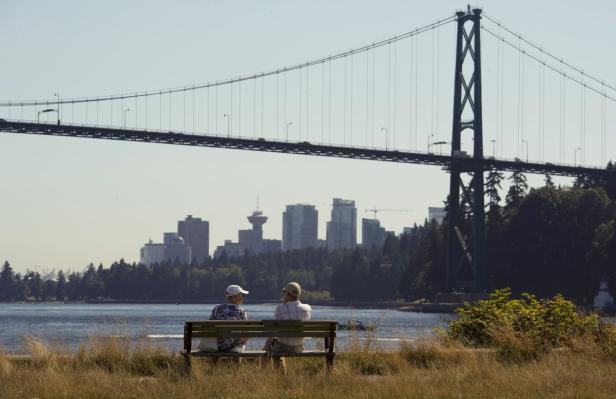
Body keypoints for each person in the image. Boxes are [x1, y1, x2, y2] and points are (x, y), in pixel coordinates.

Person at [263, 282, 311, 369]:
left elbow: (274, 329)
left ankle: (270, 371)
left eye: (284, 292)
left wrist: (284, 304)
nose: (283, 295)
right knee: (273, 343)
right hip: (299, 347)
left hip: (283, 346)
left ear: (288, 294)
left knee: (272, 344)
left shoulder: (280, 309)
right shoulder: (306, 309)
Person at [200, 284, 249, 353]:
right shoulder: (241, 311)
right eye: (242, 295)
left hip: (216, 345)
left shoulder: (217, 308)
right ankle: (236, 362)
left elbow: (210, 325)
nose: (243, 297)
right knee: (245, 335)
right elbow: (245, 330)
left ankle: (214, 363)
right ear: (235, 296)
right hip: (233, 347)